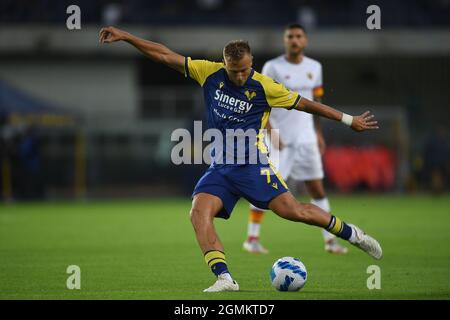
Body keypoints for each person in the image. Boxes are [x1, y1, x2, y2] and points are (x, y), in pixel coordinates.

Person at [99, 26, 382, 293]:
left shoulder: (265, 86)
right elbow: (164, 55)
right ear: (224, 64)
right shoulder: (208, 73)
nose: (239, 76)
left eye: (245, 70)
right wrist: (126, 36)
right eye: (234, 71)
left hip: (252, 165)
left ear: (252, 62)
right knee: (198, 213)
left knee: (295, 212)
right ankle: (224, 278)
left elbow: (307, 104)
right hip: (220, 168)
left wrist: (348, 120)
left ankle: (353, 234)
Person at [243, 23, 347, 255]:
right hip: (280, 139)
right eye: (290, 36)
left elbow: (316, 103)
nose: (294, 40)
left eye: (298, 36)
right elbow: (261, 101)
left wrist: (318, 133)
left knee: (317, 188)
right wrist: (270, 131)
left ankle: (330, 241)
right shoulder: (273, 67)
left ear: (305, 41)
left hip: (307, 138)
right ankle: (252, 238)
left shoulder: (315, 67)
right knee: (265, 189)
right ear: (285, 40)